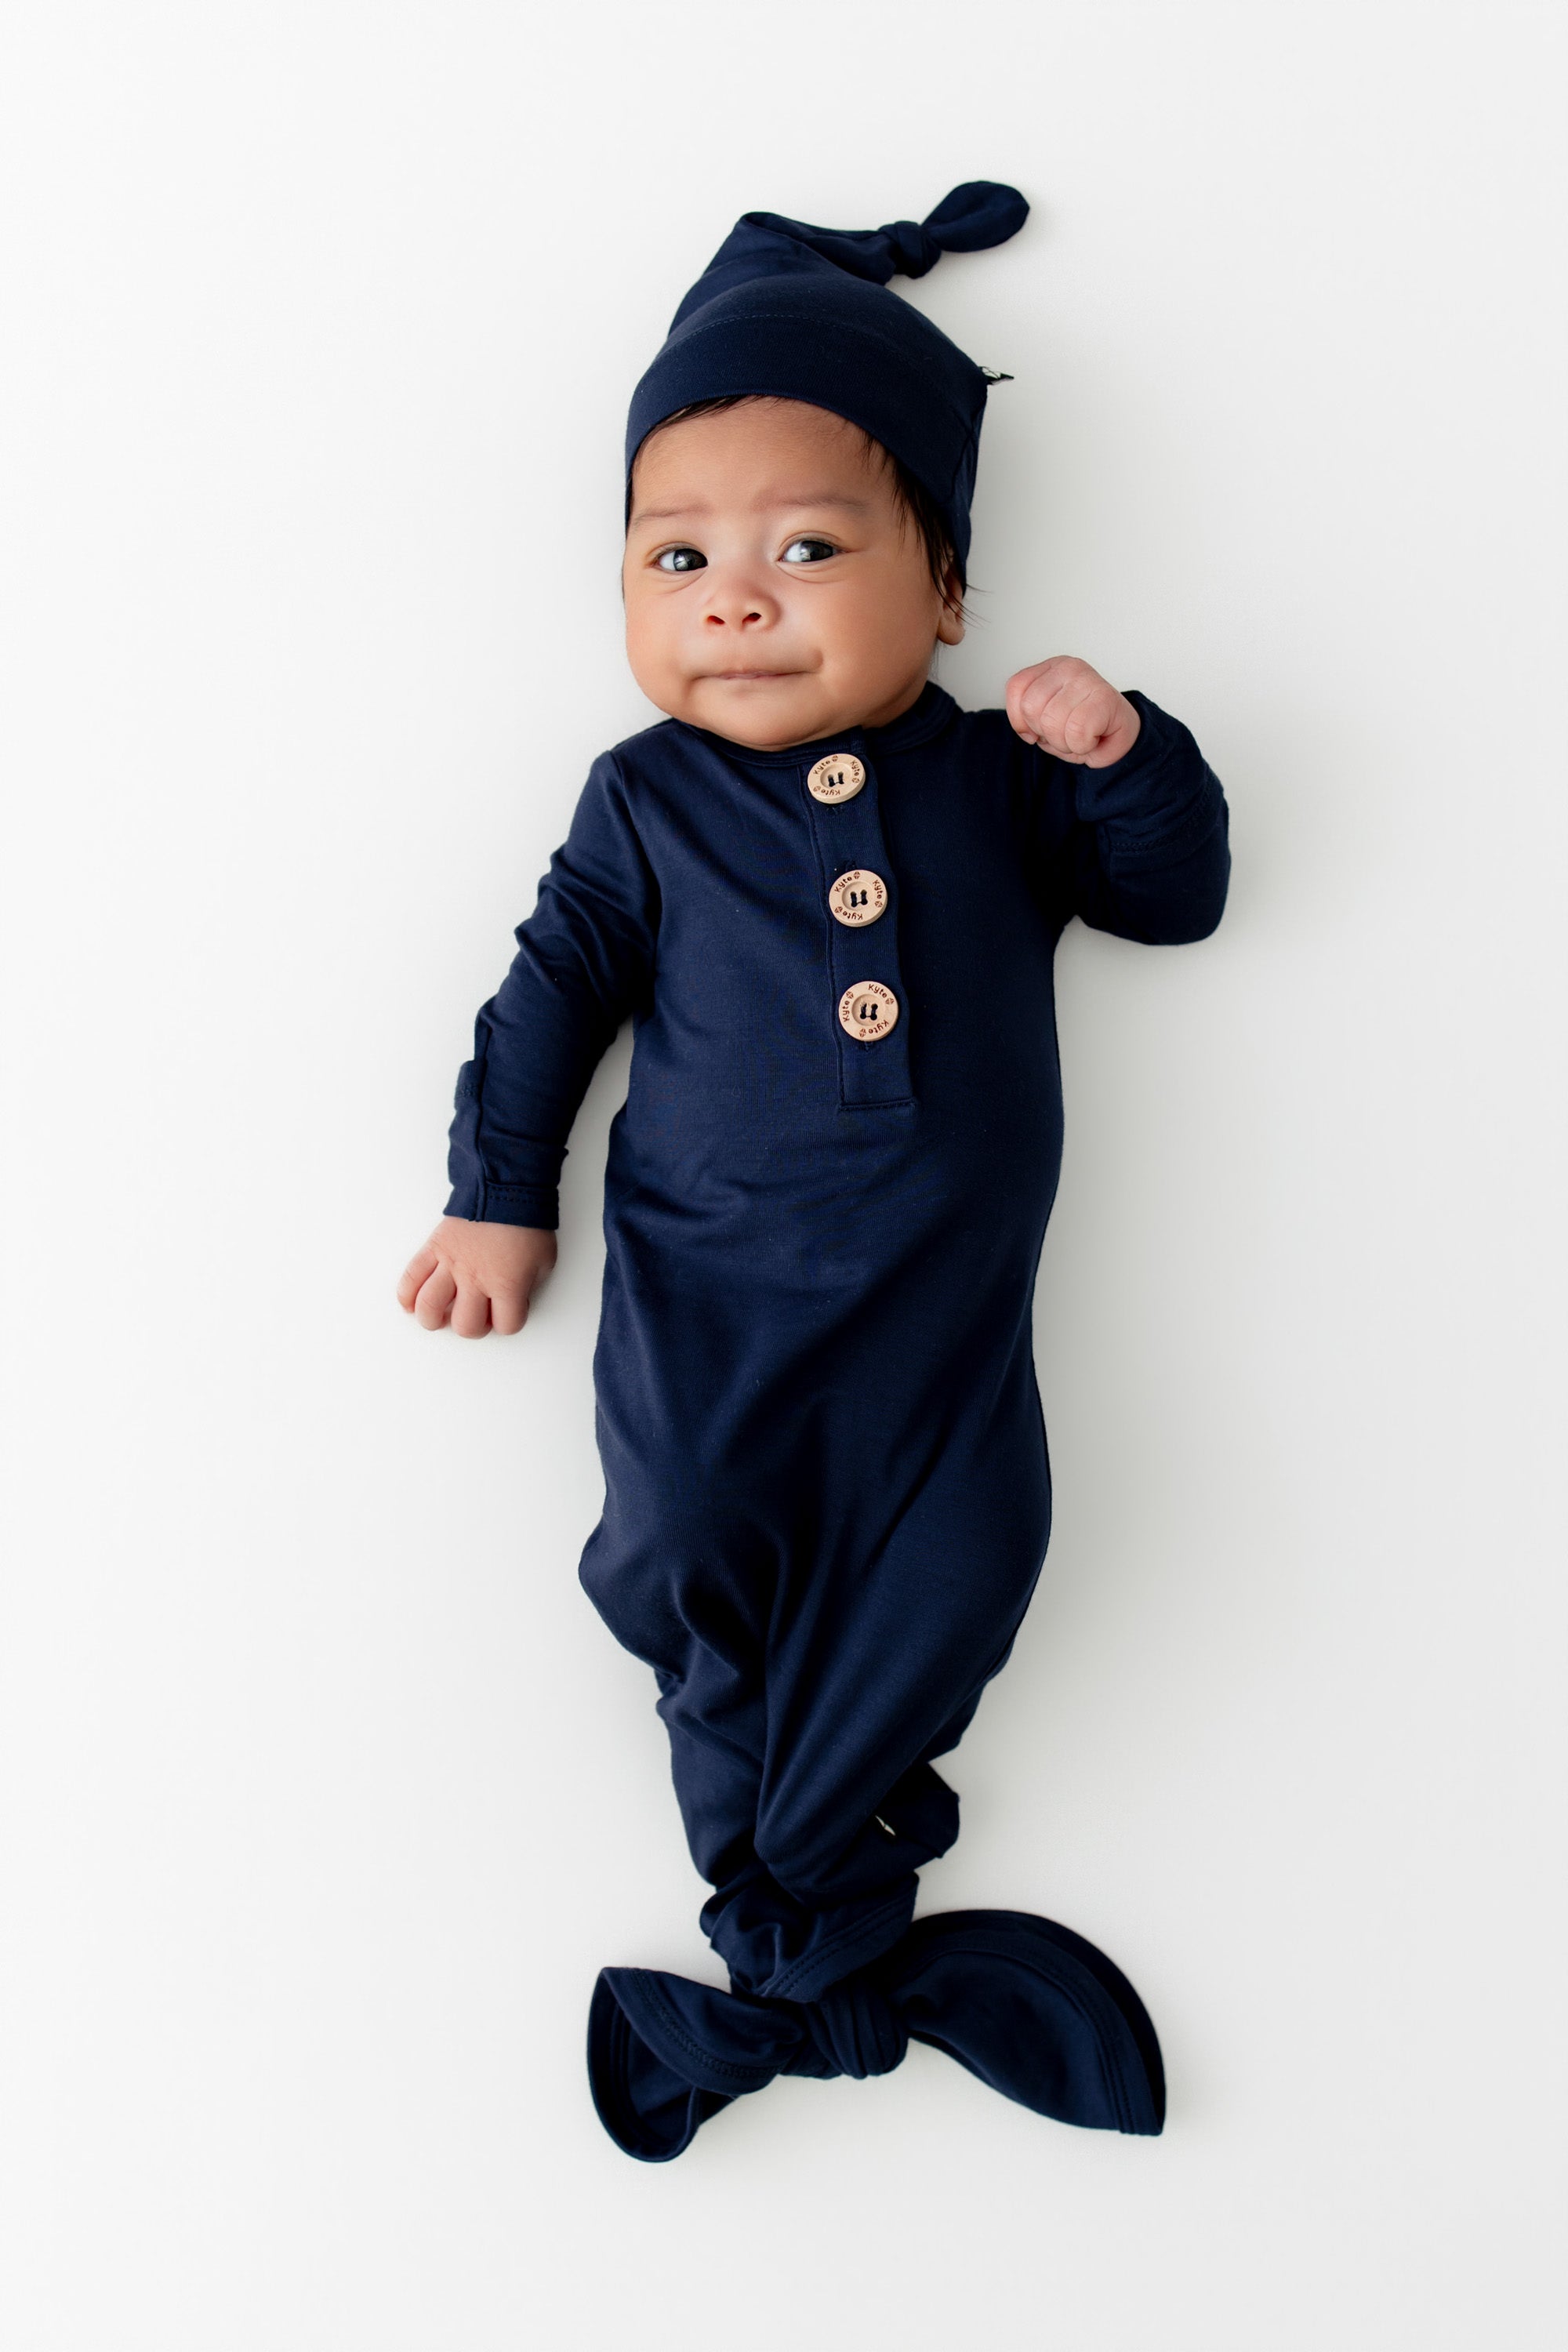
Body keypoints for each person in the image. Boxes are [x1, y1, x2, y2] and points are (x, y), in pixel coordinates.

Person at [397, 184, 1230, 2161]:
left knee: (968, 1568)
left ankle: (803, 1911)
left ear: (946, 593)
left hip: (944, 1330)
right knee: (672, 1557)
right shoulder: (649, 803)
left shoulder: (995, 779)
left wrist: (1117, 754)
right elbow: (548, 1000)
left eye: (809, 547)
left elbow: (1174, 901)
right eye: (677, 553)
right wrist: (496, 1192)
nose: (736, 595)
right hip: (708, 1297)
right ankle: (801, 1878)